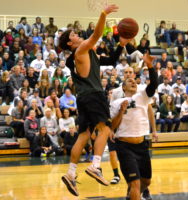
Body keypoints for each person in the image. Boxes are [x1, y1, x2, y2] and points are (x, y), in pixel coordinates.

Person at [59, 5, 134, 196]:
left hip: (83, 98)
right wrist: (103, 14)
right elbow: (96, 34)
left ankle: (70, 173)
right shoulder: (81, 50)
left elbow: (111, 61)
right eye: (74, 35)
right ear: (70, 43)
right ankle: (95, 165)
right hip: (94, 95)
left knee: (84, 135)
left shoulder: (85, 54)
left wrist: (122, 43)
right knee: (106, 129)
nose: (78, 35)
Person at [110, 53, 158, 200]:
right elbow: (113, 127)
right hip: (125, 146)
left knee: (146, 181)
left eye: (135, 81)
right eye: (129, 81)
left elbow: (154, 84)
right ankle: (133, 192)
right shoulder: (117, 103)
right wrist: (121, 112)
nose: (133, 82)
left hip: (142, 145)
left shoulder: (143, 95)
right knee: (136, 183)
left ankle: (131, 194)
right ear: (123, 87)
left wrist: (149, 65)